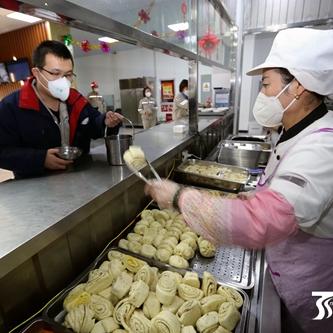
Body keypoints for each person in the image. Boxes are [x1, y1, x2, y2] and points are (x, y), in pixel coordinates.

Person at [145, 28, 333, 333]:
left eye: (266, 84)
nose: (262, 94)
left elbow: (266, 218)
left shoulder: (322, 148)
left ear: (297, 86)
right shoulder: (295, 133)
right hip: (289, 275)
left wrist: (180, 198)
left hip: (315, 296)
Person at [0, 40, 123, 178]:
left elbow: (93, 125)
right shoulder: (11, 106)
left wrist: (106, 121)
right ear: (36, 72)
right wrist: (40, 159)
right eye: (55, 73)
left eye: (68, 75)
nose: (63, 81)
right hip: (36, 186)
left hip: (79, 177)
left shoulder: (76, 99)